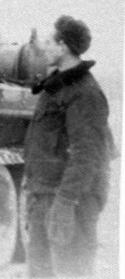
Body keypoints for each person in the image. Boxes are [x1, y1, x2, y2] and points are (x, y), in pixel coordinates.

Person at [24, 15, 115, 277]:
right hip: (44, 197)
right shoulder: (56, 87)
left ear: (62, 46)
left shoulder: (84, 93)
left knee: (72, 272)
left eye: (48, 42)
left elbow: (87, 155)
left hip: (70, 202)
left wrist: (65, 203)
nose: (43, 47)